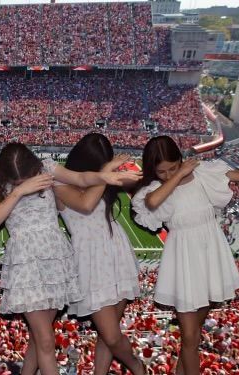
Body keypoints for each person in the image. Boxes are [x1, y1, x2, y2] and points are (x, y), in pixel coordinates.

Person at [0, 143, 141, 375]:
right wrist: (18, 191)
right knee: (46, 341)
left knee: (40, 338)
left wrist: (105, 175)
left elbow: (81, 179)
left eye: (25, 178)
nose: (22, 183)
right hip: (25, 262)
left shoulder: (47, 168)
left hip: (54, 257)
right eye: (16, 182)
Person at [131, 135, 239, 375]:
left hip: (210, 255)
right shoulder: (155, 189)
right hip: (183, 261)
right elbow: (153, 202)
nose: (168, 174)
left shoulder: (203, 174)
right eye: (162, 171)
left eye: (173, 167)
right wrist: (179, 174)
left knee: (193, 336)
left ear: (181, 159)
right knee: (190, 336)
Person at [53, 133, 144, 375]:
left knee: (108, 334)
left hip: (116, 249)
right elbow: (85, 205)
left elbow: (137, 183)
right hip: (89, 257)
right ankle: (137, 366)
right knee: (112, 335)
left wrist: (125, 175)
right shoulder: (59, 182)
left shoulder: (102, 179)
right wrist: (106, 173)